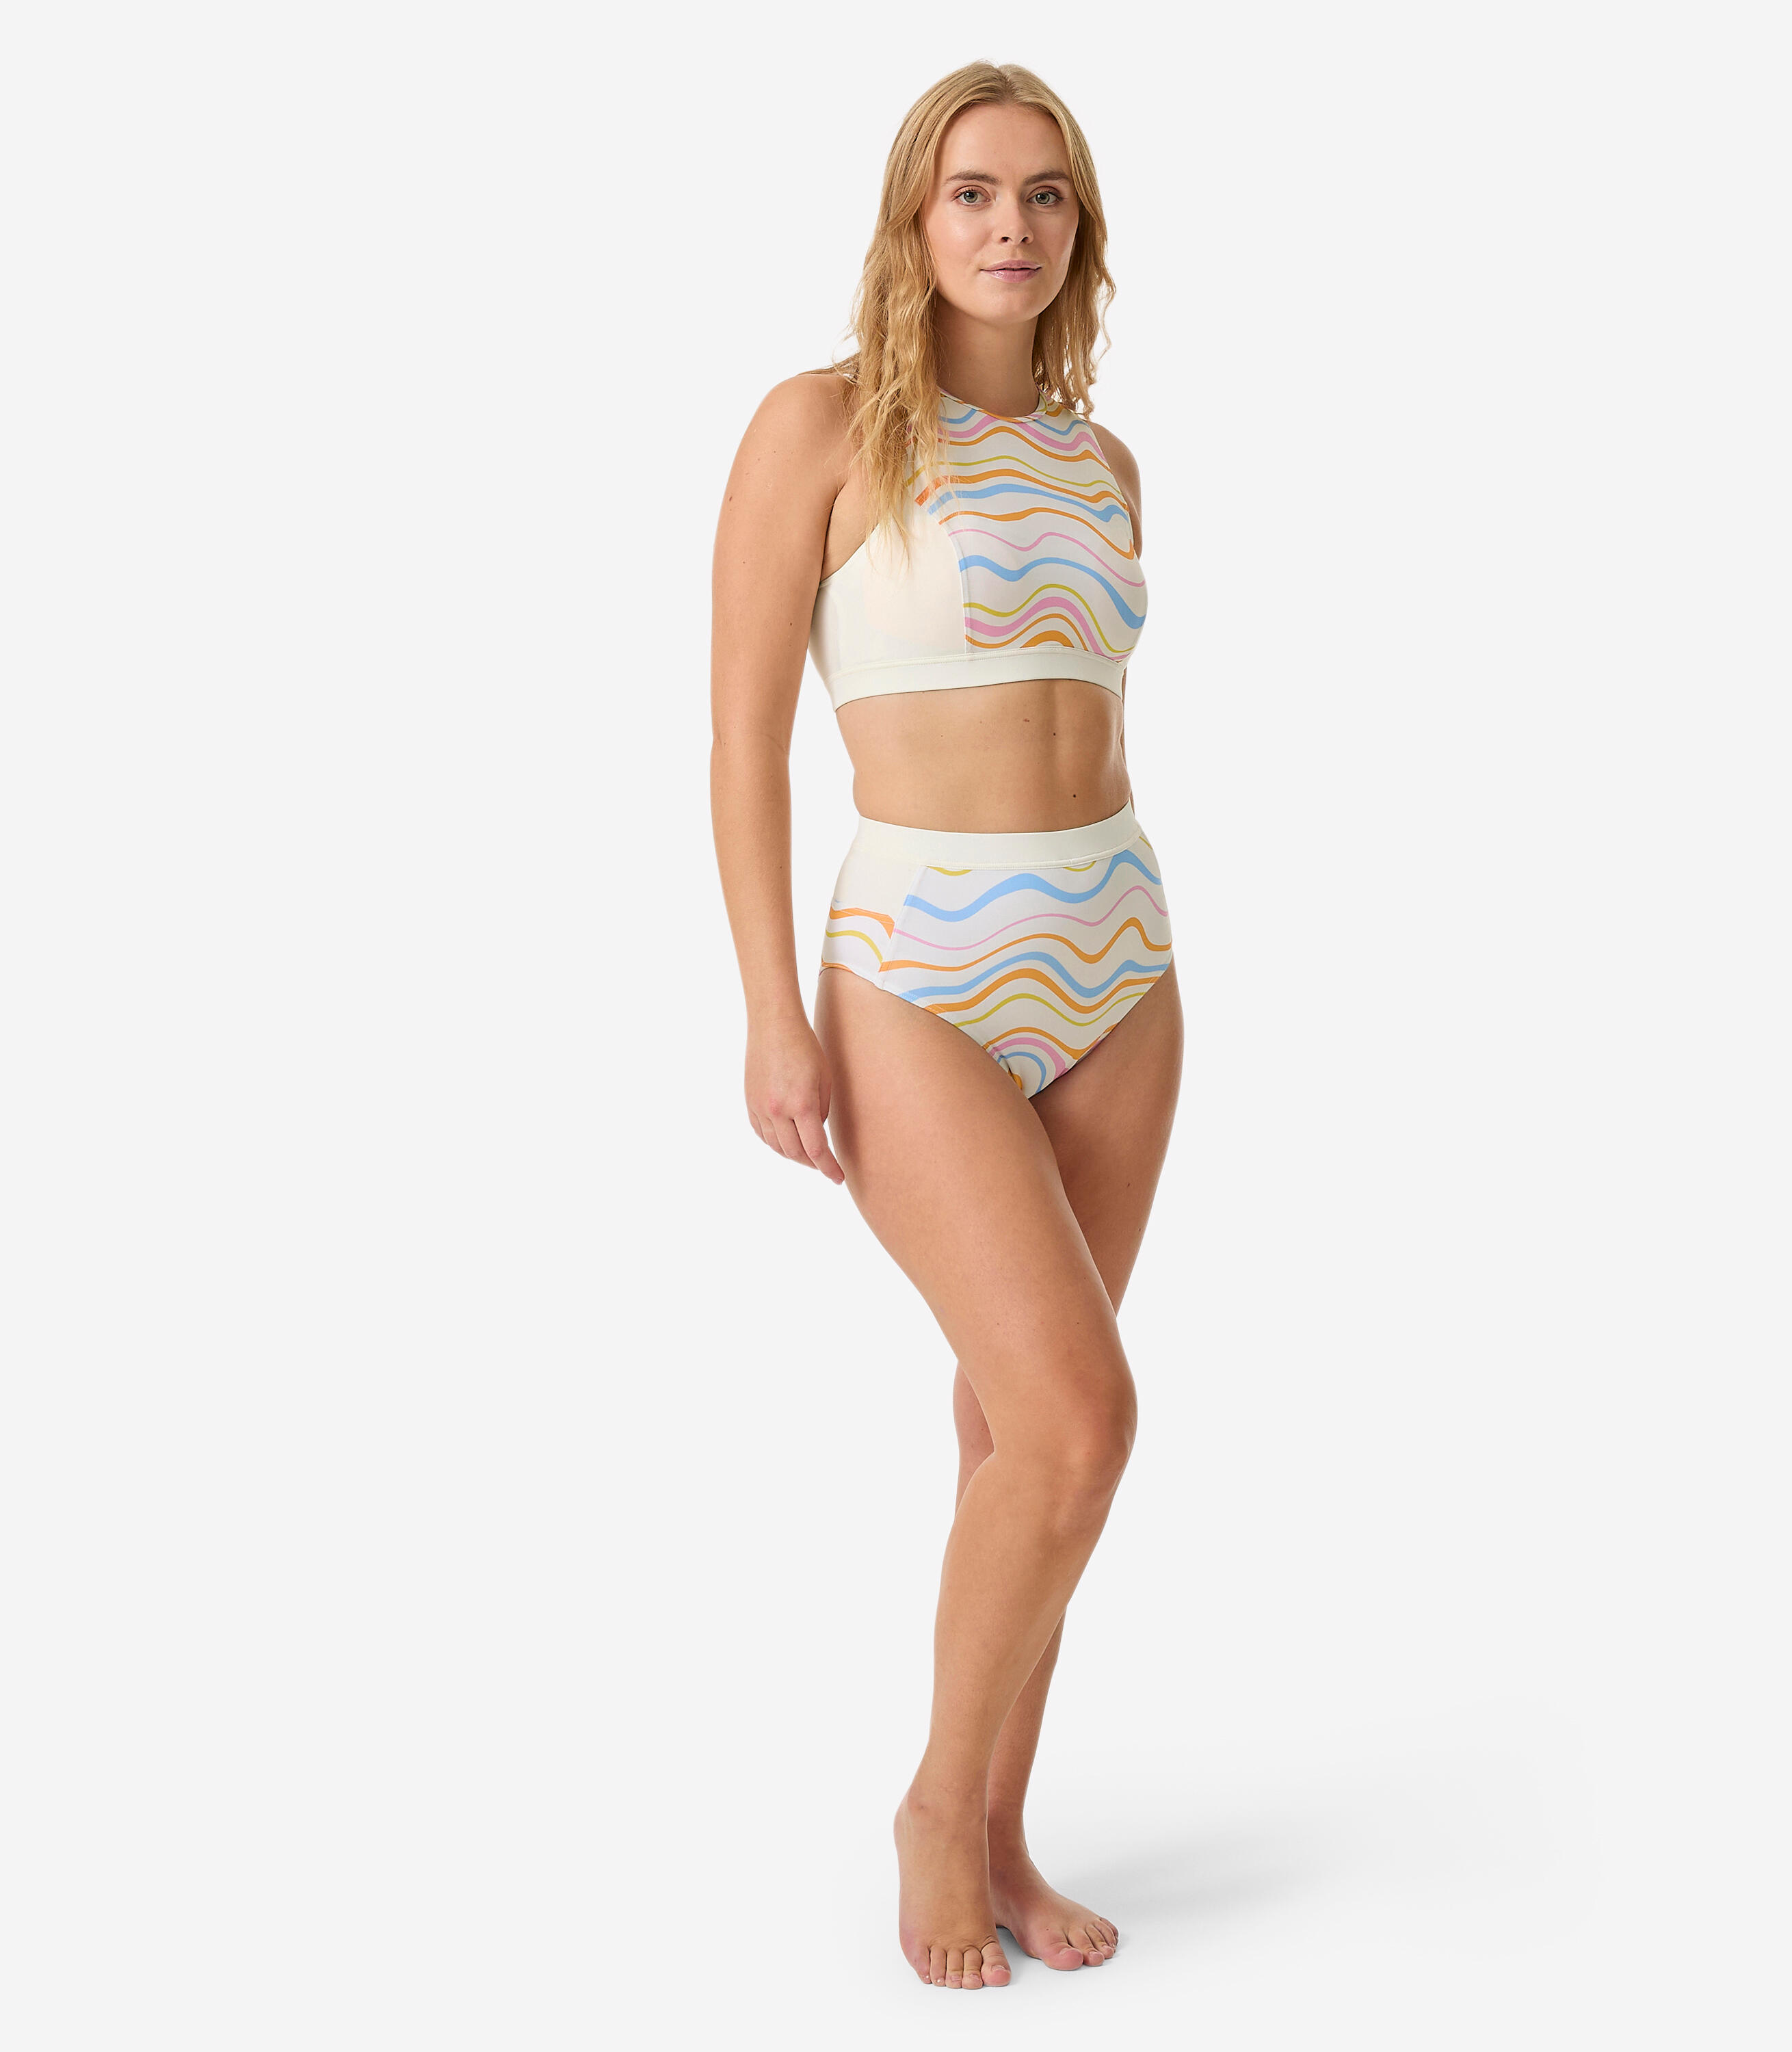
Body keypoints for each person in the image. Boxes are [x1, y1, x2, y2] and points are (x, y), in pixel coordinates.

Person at [710, 60, 1182, 1992]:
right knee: (1083, 1421)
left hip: (1120, 961)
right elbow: (742, 739)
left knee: (1018, 1430)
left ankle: (1001, 1825)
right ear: (916, 220)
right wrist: (771, 1010)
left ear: (1081, 231)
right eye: (975, 191)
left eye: (1046, 195)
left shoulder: (1102, 461)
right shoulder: (821, 429)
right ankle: (931, 1809)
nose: (1012, 225)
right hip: (916, 970)